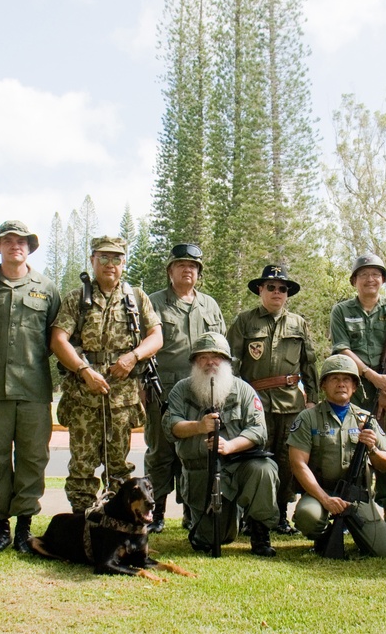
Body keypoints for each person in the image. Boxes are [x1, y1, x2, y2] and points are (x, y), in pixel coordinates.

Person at [0, 220, 61, 553]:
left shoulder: (46, 288)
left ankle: (24, 528)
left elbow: (54, 338)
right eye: (7, 241)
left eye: (21, 241)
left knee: (33, 459)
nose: (14, 245)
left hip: (34, 389)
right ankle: (0, 527)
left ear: (29, 247)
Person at [51, 236, 162, 513]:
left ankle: (118, 522)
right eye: (103, 257)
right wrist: (84, 370)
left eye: (116, 258)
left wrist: (133, 356)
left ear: (124, 263)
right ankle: (83, 524)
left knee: (120, 469)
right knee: (82, 467)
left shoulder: (136, 298)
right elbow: (58, 339)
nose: (109, 264)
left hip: (122, 399)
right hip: (84, 396)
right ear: (92, 260)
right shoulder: (77, 299)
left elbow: (156, 336)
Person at [163, 332, 280, 557]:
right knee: (214, 538)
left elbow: (259, 430)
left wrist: (230, 446)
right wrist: (200, 426)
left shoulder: (243, 390)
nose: (210, 362)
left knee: (264, 469)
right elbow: (171, 427)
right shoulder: (181, 389)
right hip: (201, 473)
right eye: (203, 357)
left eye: (216, 357)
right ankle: (220, 518)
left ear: (227, 361)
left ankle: (260, 532)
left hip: (238, 465)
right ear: (194, 362)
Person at [227, 264, 318, 535]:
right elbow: (231, 362)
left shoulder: (298, 323)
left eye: (282, 288)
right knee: (254, 459)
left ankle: (281, 516)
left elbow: (309, 363)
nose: (277, 292)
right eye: (271, 287)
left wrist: (312, 399)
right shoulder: (245, 321)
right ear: (260, 290)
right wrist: (234, 399)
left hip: (291, 404)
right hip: (254, 404)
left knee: (287, 461)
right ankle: (250, 516)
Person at [329, 254, 386, 537]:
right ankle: (349, 512)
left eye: (376, 274)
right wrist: (371, 376)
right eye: (363, 274)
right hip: (354, 392)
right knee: (349, 451)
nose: (370, 279)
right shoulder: (341, 311)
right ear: (354, 281)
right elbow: (342, 349)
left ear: (383, 280)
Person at [147, 243, 226, 532]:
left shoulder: (210, 306)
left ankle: (190, 511)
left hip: (202, 391)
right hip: (163, 391)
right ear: (170, 271)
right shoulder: (154, 302)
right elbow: (144, 347)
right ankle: (155, 513)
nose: (187, 270)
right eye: (181, 266)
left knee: (194, 452)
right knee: (161, 452)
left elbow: (222, 348)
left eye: (192, 267)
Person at [287, 354, 386, 558]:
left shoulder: (366, 419)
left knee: (384, 551)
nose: (341, 384)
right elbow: (298, 464)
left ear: (354, 387)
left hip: (356, 495)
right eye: (334, 379)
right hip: (321, 492)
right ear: (323, 385)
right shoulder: (308, 418)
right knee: (307, 517)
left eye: (346, 379)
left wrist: (372, 448)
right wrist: (326, 499)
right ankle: (324, 537)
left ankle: (353, 529)